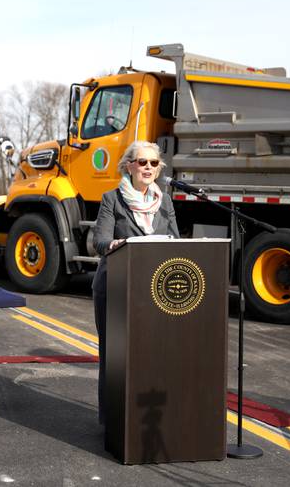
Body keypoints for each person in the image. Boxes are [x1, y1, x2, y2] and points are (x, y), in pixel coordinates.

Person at [91, 140, 180, 424]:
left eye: (154, 163)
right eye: (142, 162)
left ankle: (147, 419)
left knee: (153, 355)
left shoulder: (164, 201)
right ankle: (112, 421)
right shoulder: (112, 199)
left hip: (154, 291)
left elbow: (175, 241)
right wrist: (121, 243)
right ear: (129, 165)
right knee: (114, 357)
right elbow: (99, 242)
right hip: (116, 288)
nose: (148, 168)